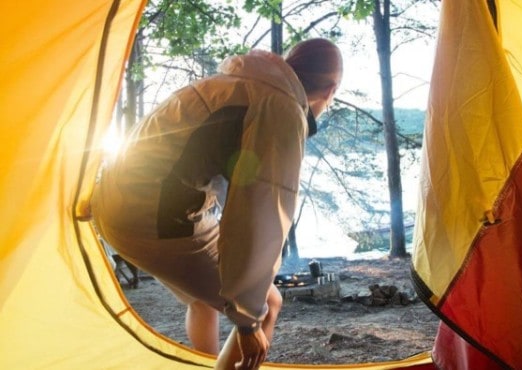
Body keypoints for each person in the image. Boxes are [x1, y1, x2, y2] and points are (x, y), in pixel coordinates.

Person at [91, 38, 343, 369]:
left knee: (203, 299)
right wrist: (249, 321)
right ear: (330, 91)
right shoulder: (279, 106)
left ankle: (207, 362)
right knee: (266, 302)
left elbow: (231, 178)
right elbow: (261, 214)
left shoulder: (240, 83)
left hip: (114, 200)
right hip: (150, 217)